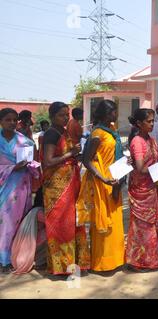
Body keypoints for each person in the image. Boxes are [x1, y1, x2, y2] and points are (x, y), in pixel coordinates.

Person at [76, 100, 125, 273]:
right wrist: (103, 178)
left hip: (114, 178)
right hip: (102, 181)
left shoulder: (112, 131)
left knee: (115, 219)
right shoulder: (97, 133)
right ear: (104, 114)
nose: (115, 115)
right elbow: (87, 160)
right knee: (104, 221)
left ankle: (116, 259)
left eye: (115, 112)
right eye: (112, 112)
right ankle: (101, 263)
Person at [42, 102, 90, 275]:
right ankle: (62, 267)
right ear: (52, 116)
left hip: (70, 184)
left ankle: (77, 263)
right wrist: (71, 154)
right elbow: (47, 161)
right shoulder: (51, 134)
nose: (65, 118)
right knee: (61, 225)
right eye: (62, 115)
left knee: (73, 222)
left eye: (67, 114)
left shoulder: (63, 132)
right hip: (56, 188)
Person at [0, 108, 39, 273]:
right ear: (1, 121)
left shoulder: (26, 142)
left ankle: (13, 258)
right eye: (8, 120)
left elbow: (35, 165)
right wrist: (12, 167)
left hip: (20, 189)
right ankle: (3, 258)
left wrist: (30, 165)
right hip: (3, 189)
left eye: (14, 120)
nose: (12, 123)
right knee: (4, 223)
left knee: (16, 224)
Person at [127, 108, 158, 271]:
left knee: (154, 223)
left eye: (152, 121)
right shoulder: (137, 141)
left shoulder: (152, 140)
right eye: (149, 121)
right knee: (143, 226)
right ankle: (139, 261)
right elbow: (141, 168)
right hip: (142, 189)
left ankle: (153, 259)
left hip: (154, 187)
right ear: (139, 123)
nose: (152, 124)